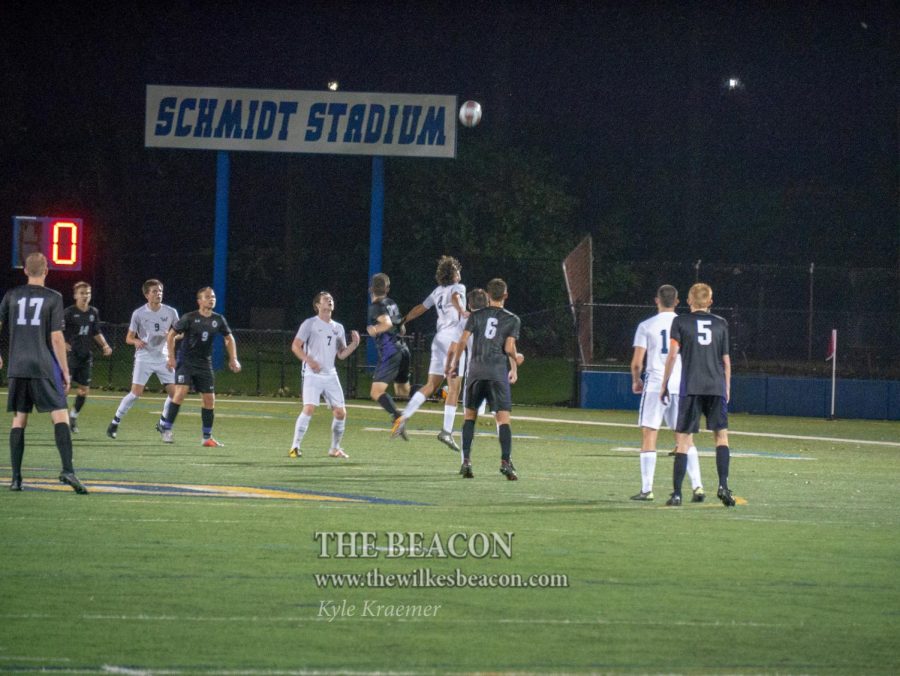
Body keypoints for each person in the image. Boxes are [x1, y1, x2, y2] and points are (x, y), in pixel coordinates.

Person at [0, 252, 88, 493]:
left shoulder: (12, 295)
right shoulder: (54, 297)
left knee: (19, 419)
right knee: (60, 416)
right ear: (47, 271)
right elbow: (56, 337)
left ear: (25, 271)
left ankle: (16, 478)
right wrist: (65, 370)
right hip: (42, 365)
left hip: (17, 366)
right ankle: (67, 470)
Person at [661, 282, 734, 507]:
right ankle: (723, 485)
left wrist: (664, 384)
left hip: (691, 386)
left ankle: (677, 494)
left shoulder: (680, 322)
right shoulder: (721, 324)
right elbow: (726, 361)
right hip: (715, 386)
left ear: (689, 300)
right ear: (710, 302)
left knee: (683, 441)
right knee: (721, 437)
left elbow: (673, 355)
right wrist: (727, 387)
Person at [629, 285, 703, 502]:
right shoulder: (687, 324)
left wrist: (636, 380)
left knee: (649, 435)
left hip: (655, 385)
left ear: (656, 300)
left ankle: (647, 489)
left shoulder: (646, 326)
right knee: (684, 438)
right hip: (681, 385)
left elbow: (636, 362)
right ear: (678, 301)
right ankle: (697, 486)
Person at [446, 278, 521, 480]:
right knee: (503, 419)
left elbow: (462, 341)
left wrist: (453, 365)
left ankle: (467, 461)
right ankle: (505, 461)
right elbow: (509, 348)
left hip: (476, 373)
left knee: (469, 417)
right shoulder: (512, 319)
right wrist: (515, 363)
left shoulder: (476, 316)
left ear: (488, 296)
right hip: (497, 373)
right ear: (505, 295)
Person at [392, 256, 467, 450]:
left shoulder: (437, 291)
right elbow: (456, 298)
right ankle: (447, 432)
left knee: (432, 385)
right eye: (457, 271)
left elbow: (420, 308)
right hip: (453, 340)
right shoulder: (459, 288)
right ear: (453, 274)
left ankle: (404, 416)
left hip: (439, 338)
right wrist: (462, 310)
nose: (460, 273)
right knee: (454, 387)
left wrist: (403, 320)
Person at [158, 287, 241, 445]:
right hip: (187, 362)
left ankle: (207, 438)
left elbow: (229, 338)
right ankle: (167, 429)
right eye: (208, 297)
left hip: (204, 363)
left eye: (213, 297)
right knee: (181, 392)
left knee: (209, 399)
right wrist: (171, 357)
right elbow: (171, 335)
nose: (212, 299)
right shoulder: (189, 317)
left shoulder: (218, 319)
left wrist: (233, 359)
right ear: (199, 301)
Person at [288, 291, 360, 459]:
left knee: (341, 413)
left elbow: (341, 354)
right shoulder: (310, 323)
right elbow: (295, 346)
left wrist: (354, 344)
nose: (330, 301)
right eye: (326, 299)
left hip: (330, 374)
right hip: (312, 374)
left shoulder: (338, 327)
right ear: (318, 305)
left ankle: (335, 449)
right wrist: (309, 360)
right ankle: (295, 447)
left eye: (331, 299)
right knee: (309, 407)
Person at [107, 279, 179, 439]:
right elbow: (128, 338)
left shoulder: (171, 312)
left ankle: (163, 424)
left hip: (163, 358)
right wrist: (136, 341)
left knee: (175, 394)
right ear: (147, 295)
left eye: (160, 290)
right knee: (135, 393)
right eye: (154, 291)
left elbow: (181, 333)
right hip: (144, 357)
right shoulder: (139, 313)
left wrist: (172, 335)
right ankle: (115, 422)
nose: (158, 293)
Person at [63, 281, 113, 433]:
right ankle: (61, 419)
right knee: (65, 388)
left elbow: (96, 331)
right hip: (71, 356)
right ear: (75, 295)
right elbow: (58, 331)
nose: (85, 296)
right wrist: (64, 344)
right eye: (82, 293)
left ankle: (73, 416)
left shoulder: (93, 312)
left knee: (84, 390)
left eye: (88, 293)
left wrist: (105, 345)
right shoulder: (69, 312)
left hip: (85, 356)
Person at [366, 273, 411, 437]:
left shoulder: (376, 306)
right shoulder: (392, 303)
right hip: (403, 349)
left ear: (371, 288)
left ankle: (398, 417)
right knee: (403, 392)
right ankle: (429, 392)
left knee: (376, 392)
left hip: (390, 351)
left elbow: (387, 323)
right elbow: (402, 327)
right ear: (387, 289)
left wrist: (374, 329)